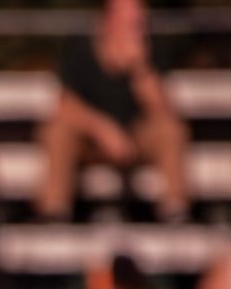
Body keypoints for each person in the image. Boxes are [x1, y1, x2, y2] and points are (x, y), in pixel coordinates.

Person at [36, 0, 189, 224]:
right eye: (128, 19)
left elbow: (162, 108)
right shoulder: (81, 49)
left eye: (138, 19)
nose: (135, 24)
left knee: (170, 129)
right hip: (91, 141)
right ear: (108, 20)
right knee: (57, 131)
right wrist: (103, 130)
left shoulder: (153, 49)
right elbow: (64, 106)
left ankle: (175, 208)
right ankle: (53, 211)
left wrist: (140, 68)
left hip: (136, 138)